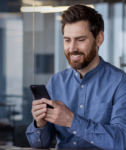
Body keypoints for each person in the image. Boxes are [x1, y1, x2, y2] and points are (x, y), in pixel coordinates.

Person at [26, 4, 126, 150]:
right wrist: (40, 123)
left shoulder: (120, 82)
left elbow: (122, 140)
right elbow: (39, 143)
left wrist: (71, 120)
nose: (72, 48)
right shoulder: (56, 81)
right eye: (67, 40)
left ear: (99, 39)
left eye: (80, 40)